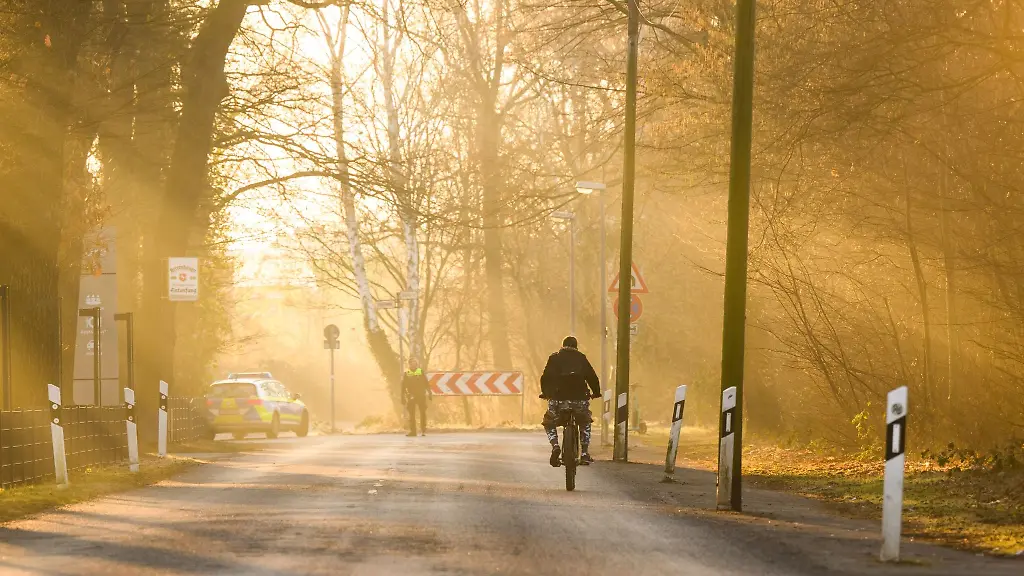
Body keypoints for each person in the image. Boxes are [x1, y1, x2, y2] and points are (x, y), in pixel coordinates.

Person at [540, 336, 601, 467]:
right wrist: (596, 392)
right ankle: (584, 453)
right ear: (576, 347)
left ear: (563, 346)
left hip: (557, 400)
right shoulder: (581, 358)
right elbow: (592, 376)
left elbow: (545, 377)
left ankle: (555, 445)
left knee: (549, 422)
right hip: (579, 400)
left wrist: (546, 393)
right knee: (585, 422)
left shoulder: (554, 358)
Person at [401, 358, 431, 436]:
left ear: (417, 364)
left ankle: (423, 430)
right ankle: (413, 431)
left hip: (421, 395)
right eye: (412, 364)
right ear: (409, 364)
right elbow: (403, 386)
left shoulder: (421, 372)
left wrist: (430, 393)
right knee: (411, 414)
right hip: (411, 396)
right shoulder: (407, 373)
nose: (413, 365)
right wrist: (402, 397)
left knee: (422, 413)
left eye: (415, 364)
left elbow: (426, 383)